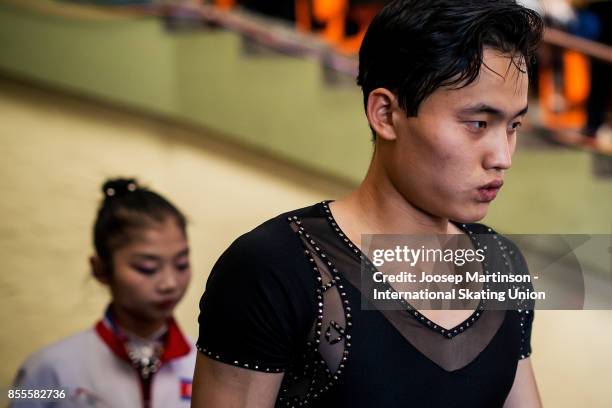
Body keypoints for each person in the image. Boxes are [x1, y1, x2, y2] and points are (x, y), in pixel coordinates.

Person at [192, 1, 544, 407]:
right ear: (385, 113)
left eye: (514, 125)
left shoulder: (502, 262)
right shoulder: (275, 268)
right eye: (477, 124)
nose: (503, 155)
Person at [11, 178, 196, 408]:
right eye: (147, 268)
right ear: (100, 269)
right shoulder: (49, 370)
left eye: (181, 264)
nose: (169, 283)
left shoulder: (203, 367)